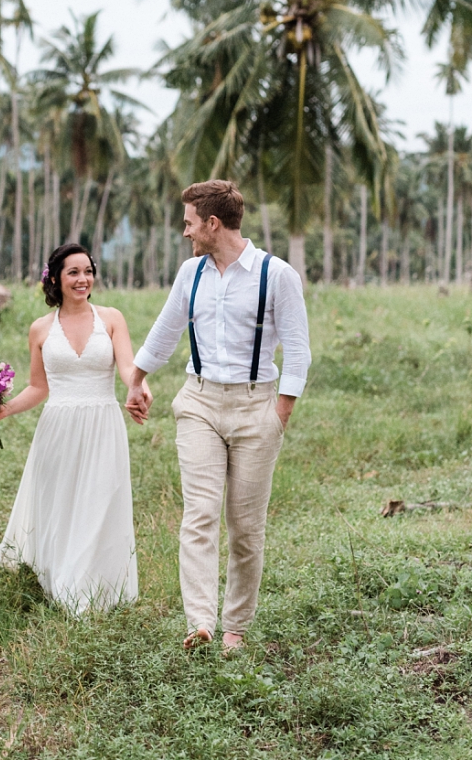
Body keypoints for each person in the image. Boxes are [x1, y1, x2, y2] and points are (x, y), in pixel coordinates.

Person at [125, 180, 311, 651]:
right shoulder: (191, 274)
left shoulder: (278, 274)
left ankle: (235, 629)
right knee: (200, 515)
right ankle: (200, 623)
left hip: (257, 406)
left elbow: (299, 350)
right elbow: (165, 330)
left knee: (246, 528)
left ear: (212, 223)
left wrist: (280, 413)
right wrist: (137, 379)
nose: (184, 232)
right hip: (200, 403)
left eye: (189, 223)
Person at [0, 242, 151, 614]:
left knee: (100, 501)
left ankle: (93, 584)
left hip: (103, 422)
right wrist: (0, 410)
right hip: (58, 426)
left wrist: (137, 386)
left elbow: (127, 366)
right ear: (56, 278)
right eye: (73, 272)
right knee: (60, 502)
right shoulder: (40, 329)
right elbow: (39, 387)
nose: (83, 279)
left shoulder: (111, 318)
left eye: (88, 271)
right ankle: (61, 576)